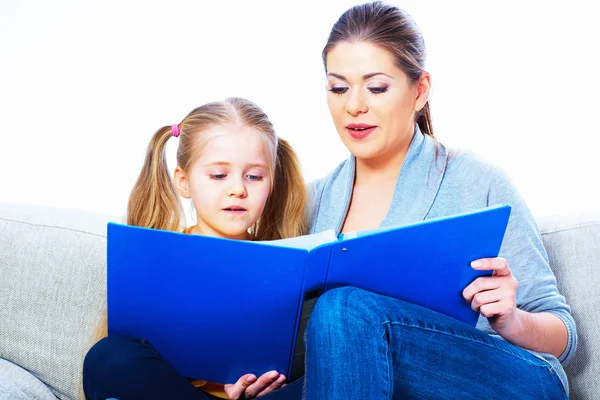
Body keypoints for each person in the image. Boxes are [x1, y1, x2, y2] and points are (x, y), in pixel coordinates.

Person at [301, 1, 575, 399]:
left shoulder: (475, 180)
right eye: (338, 87)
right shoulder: (313, 201)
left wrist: (512, 319)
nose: (353, 105)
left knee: (341, 309)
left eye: (376, 87)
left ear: (419, 91)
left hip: (509, 379)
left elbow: (564, 336)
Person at [83, 97, 308, 400]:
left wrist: (267, 383)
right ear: (184, 181)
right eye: (218, 175)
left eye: (254, 176)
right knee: (108, 358)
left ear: (272, 183)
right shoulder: (161, 256)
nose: (238, 189)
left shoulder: (288, 263)